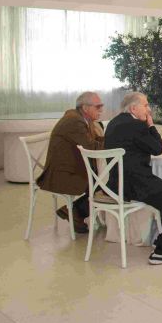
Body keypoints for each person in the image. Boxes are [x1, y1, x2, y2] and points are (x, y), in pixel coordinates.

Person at [105, 92, 162, 264]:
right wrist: (151, 125)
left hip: (118, 182)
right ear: (133, 108)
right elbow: (158, 149)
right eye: (145, 105)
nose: (149, 109)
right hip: (135, 184)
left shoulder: (114, 122)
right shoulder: (136, 125)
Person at [36, 91, 105, 233]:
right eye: (98, 107)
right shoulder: (74, 121)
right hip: (62, 174)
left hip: (73, 168)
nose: (101, 110)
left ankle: (74, 211)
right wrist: (117, 142)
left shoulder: (81, 119)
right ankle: (74, 211)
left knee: (105, 182)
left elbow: (93, 141)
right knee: (107, 183)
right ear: (85, 108)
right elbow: (91, 147)